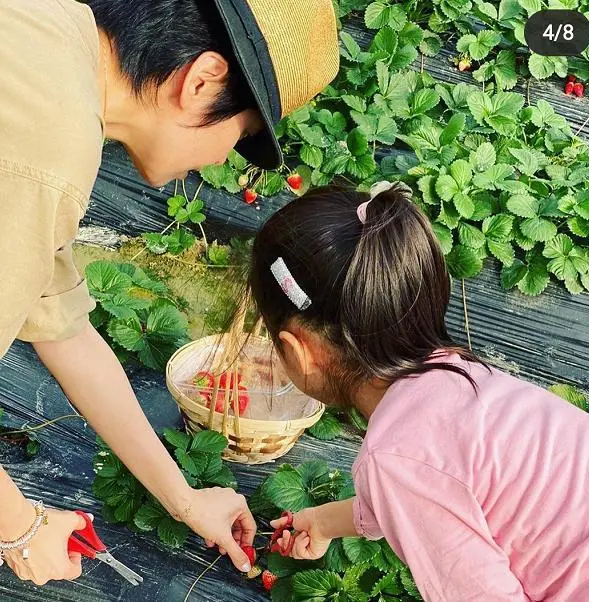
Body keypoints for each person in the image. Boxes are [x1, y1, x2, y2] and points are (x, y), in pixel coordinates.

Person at [0, 0, 339, 586]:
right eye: (239, 136)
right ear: (201, 81)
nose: (221, 158)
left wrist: (184, 498)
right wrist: (21, 529)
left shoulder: (46, 32)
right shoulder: (47, 150)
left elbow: (65, 330)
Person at [247, 182, 589, 601]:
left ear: (299, 351)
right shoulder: (464, 381)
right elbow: (436, 486)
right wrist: (326, 522)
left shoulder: (397, 460)